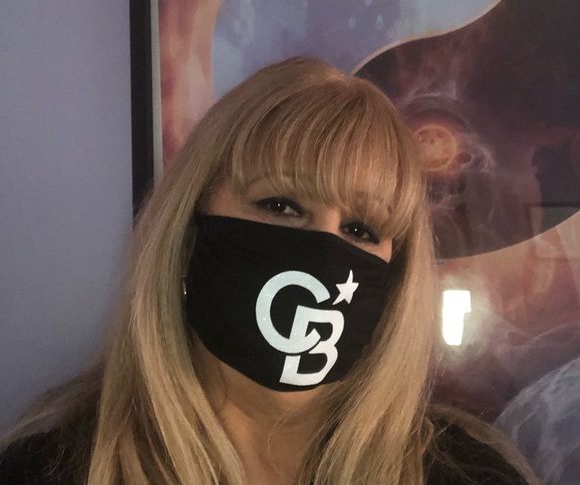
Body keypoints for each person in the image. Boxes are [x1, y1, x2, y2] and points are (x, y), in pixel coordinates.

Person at [0, 57, 537, 484]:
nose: (323, 251)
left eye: (360, 229)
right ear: (188, 234)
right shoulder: (49, 471)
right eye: (281, 205)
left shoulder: (468, 475)